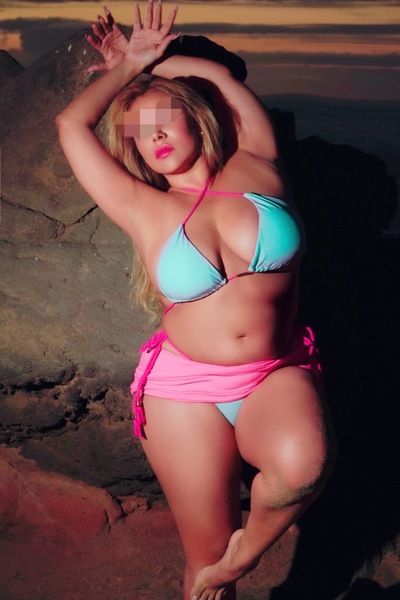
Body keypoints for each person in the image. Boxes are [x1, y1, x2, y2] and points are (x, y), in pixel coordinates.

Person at [56, 2, 336, 599]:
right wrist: (126, 69)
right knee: (202, 558)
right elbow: (71, 125)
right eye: (138, 131)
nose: (152, 135)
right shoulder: (142, 207)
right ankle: (217, 570)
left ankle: (241, 559)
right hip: (183, 390)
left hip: (273, 371)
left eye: (163, 118)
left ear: (195, 116)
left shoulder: (257, 163)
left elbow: (223, 82)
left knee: (302, 467)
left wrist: (150, 62)